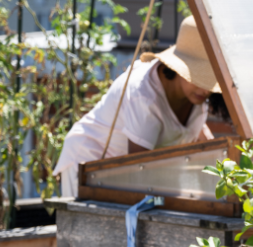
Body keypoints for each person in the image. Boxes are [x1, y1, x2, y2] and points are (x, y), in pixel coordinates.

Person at [53, 16, 232, 197]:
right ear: (179, 68)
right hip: (90, 163)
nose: (205, 88)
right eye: (199, 77)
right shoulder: (144, 96)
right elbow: (140, 172)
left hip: (123, 172)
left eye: (210, 80)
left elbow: (201, 137)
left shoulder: (194, 95)